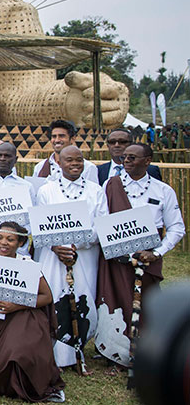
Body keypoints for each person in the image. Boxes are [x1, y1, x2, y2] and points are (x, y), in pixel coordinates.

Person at [95, 143, 185, 369]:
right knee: (115, 300)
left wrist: (157, 252)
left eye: (132, 158)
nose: (126, 161)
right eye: (124, 157)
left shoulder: (163, 191)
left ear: (147, 160)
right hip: (117, 258)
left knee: (146, 305)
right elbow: (103, 219)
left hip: (148, 258)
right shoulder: (110, 185)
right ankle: (114, 353)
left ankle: (145, 354)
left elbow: (176, 228)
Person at [35, 145, 107, 371]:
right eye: (69, 160)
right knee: (55, 297)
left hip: (84, 256)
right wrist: (56, 246)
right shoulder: (47, 190)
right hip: (54, 255)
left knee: (83, 299)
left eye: (79, 160)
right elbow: (40, 226)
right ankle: (54, 352)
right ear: (60, 163)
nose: (75, 164)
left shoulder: (96, 191)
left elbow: (101, 225)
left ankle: (77, 351)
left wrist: (77, 244)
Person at [0, 222, 65, 402]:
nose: (3, 243)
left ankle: (23, 383)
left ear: (20, 243)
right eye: (0, 238)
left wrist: (16, 305)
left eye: (10, 239)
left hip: (22, 314)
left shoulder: (27, 264)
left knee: (18, 349)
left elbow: (46, 297)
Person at [32, 119, 98, 183]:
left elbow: (92, 192)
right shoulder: (40, 167)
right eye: (54, 136)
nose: (57, 140)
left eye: (61, 136)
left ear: (72, 139)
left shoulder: (88, 168)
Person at [97, 128, 162, 185]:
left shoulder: (150, 170)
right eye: (112, 142)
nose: (116, 145)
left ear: (131, 144)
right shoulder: (99, 170)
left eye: (122, 142)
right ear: (107, 145)